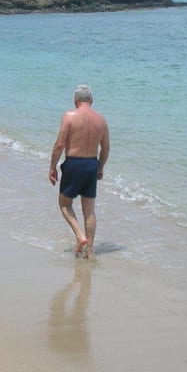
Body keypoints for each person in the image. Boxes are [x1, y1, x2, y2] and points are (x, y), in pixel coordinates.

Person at [49, 85, 110, 258]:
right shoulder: (101, 120)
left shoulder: (69, 116)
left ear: (75, 101)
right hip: (92, 164)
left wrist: (52, 167)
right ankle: (89, 250)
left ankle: (80, 236)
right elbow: (106, 148)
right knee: (89, 210)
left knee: (64, 204)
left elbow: (60, 144)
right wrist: (100, 167)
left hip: (74, 164)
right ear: (91, 100)